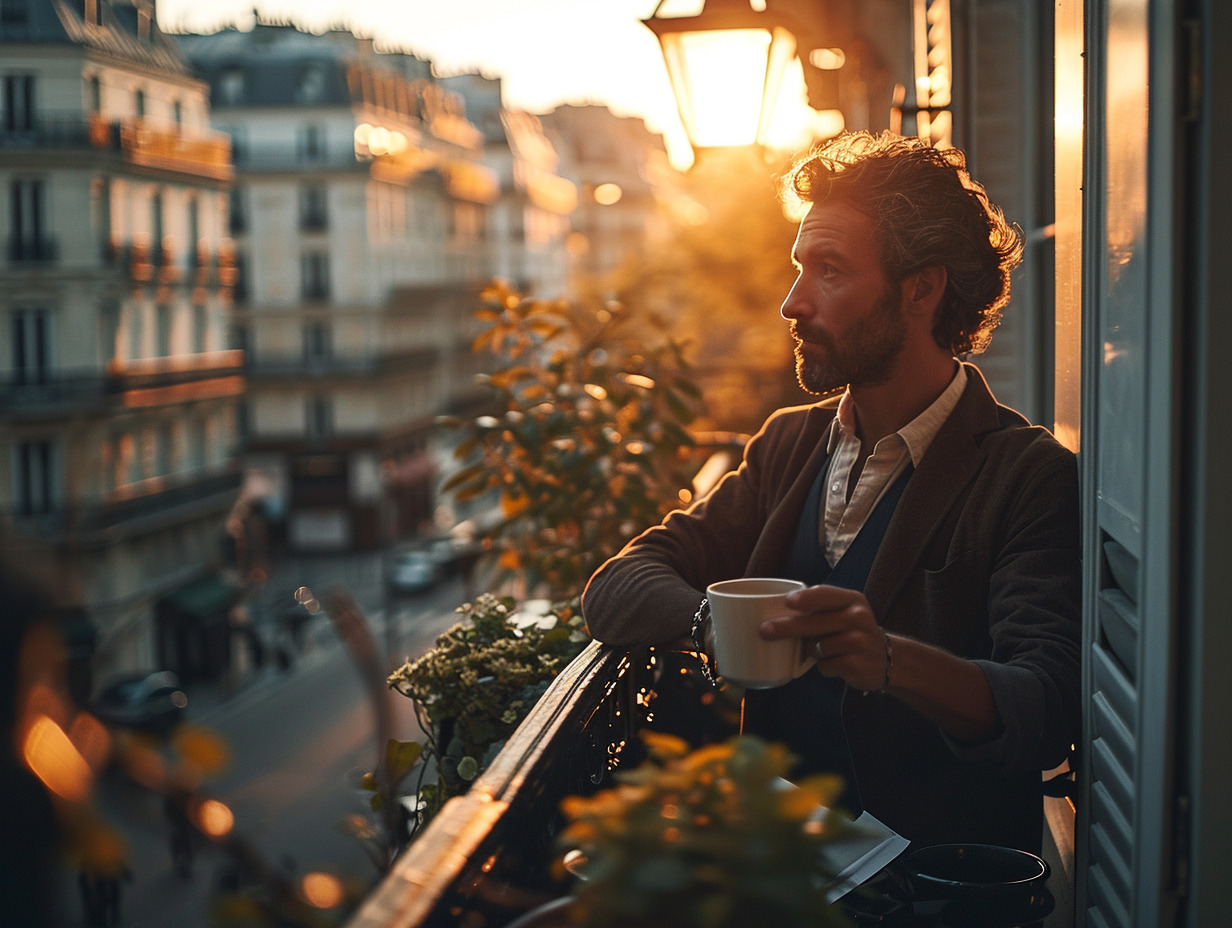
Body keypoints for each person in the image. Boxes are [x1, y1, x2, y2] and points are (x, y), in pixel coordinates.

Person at [581, 131, 1081, 853]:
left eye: (830, 271)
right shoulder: (787, 444)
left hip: (935, 897)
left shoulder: (1025, 475)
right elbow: (617, 585)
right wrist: (711, 626)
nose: (791, 302)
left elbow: (1044, 705)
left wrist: (888, 659)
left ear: (921, 289)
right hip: (778, 878)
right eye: (799, 269)